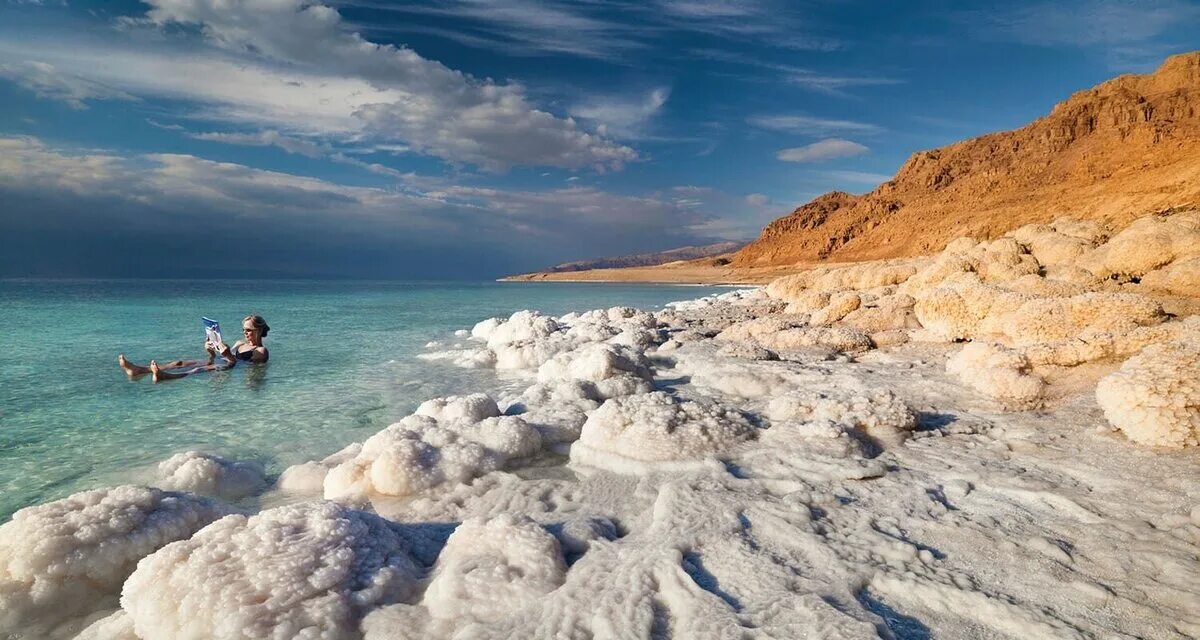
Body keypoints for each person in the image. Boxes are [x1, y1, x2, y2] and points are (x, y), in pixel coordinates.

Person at [118, 315, 270, 383]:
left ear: (258, 330)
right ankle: (138, 370)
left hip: (230, 367)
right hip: (221, 360)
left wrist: (228, 355)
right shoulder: (239, 342)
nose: (245, 333)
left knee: (197, 371)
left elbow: (238, 364)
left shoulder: (262, 352)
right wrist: (210, 350)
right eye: (244, 329)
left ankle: (165, 376)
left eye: (248, 330)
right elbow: (223, 355)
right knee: (179, 362)